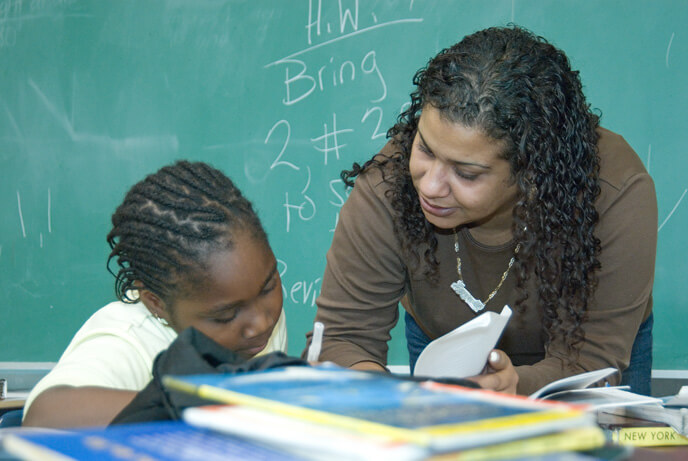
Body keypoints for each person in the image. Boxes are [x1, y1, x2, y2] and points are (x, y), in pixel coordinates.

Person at [305, 25, 657, 396]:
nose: (428, 185)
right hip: (445, 342)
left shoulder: (614, 193)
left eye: (466, 173)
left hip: (587, 357)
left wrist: (517, 387)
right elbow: (344, 338)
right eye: (424, 148)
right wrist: (386, 401)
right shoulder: (389, 184)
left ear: (532, 173)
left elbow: (590, 361)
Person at [23, 160, 287, 427]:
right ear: (155, 303)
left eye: (269, 287)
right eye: (226, 315)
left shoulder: (252, 313)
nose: (261, 322)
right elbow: (44, 415)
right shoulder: (130, 340)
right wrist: (212, 403)